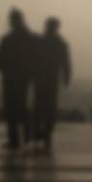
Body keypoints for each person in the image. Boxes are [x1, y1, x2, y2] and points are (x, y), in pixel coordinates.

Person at [0, 8, 40, 151]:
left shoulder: (7, 40)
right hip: (23, 77)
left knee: (12, 107)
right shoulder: (31, 38)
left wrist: (5, 69)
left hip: (11, 77)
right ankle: (27, 135)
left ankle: (14, 138)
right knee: (20, 106)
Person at [31, 16, 72, 150]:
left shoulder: (40, 42)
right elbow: (66, 63)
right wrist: (66, 77)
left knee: (39, 105)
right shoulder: (60, 43)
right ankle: (46, 132)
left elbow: (32, 59)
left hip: (40, 78)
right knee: (49, 106)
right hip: (51, 78)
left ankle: (39, 131)